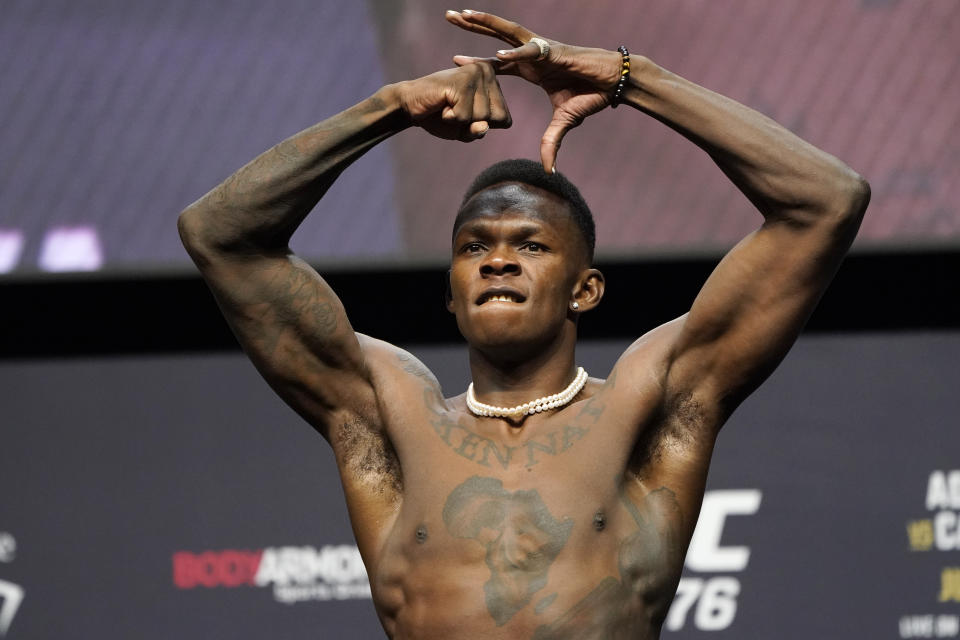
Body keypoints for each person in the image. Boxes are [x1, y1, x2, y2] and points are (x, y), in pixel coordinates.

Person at [178, 10, 869, 639]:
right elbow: (220, 235)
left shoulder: (649, 406)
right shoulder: (386, 415)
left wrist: (633, 77)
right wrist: (390, 107)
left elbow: (826, 202)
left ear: (586, 289)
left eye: (530, 245)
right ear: (451, 292)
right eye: (474, 247)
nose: (498, 261)